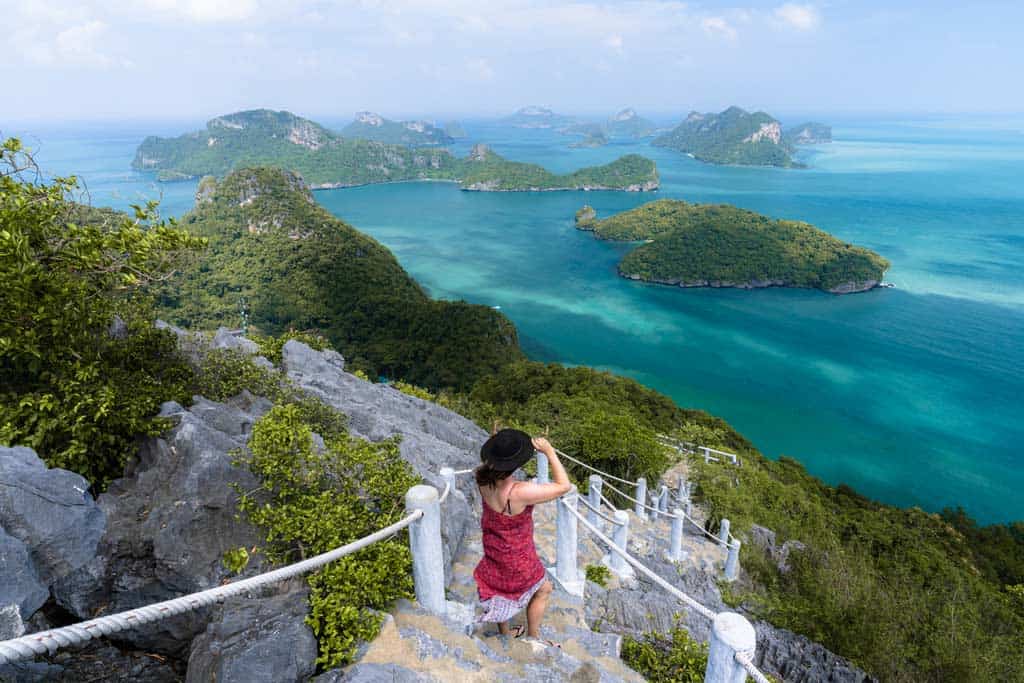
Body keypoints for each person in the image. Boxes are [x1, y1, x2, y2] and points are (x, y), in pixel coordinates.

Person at [473, 428, 572, 646]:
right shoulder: (520, 492)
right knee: (544, 589)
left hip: (494, 552)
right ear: (514, 464)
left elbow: (489, 467)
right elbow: (564, 486)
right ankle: (534, 637)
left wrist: (496, 444)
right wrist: (549, 452)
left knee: (500, 591)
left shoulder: (482, 481)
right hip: (518, 560)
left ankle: (506, 633)